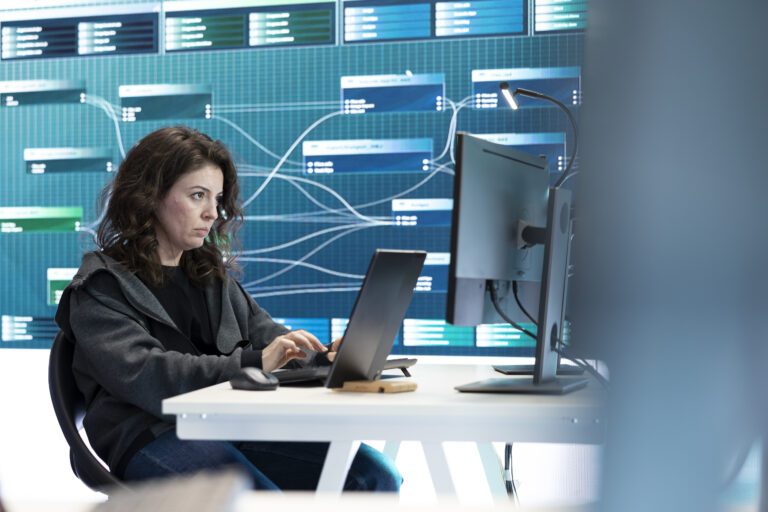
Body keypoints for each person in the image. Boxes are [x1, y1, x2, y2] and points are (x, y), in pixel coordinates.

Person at [54, 126, 401, 491]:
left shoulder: (208, 275)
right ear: (150, 196)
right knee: (257, 499)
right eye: (197, 196)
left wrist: (324, 358)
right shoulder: (99, 287)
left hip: (227, 425)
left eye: (216, 198)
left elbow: (268, 336)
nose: (212, 213)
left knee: (373, 476)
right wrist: (253, 363)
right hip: (150, 435)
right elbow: (150, 375)